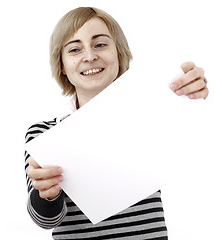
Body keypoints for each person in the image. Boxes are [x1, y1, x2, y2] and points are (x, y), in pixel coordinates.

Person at [25, 7, 209, 240]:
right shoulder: (44, 135)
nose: (89, 56)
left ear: (119, 53)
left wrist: (191, 89)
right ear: (62, 64)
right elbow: (45, 221)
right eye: (74, 49)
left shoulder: (148, 112)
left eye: (100, 44)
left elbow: (194, 130)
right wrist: (47, 195)